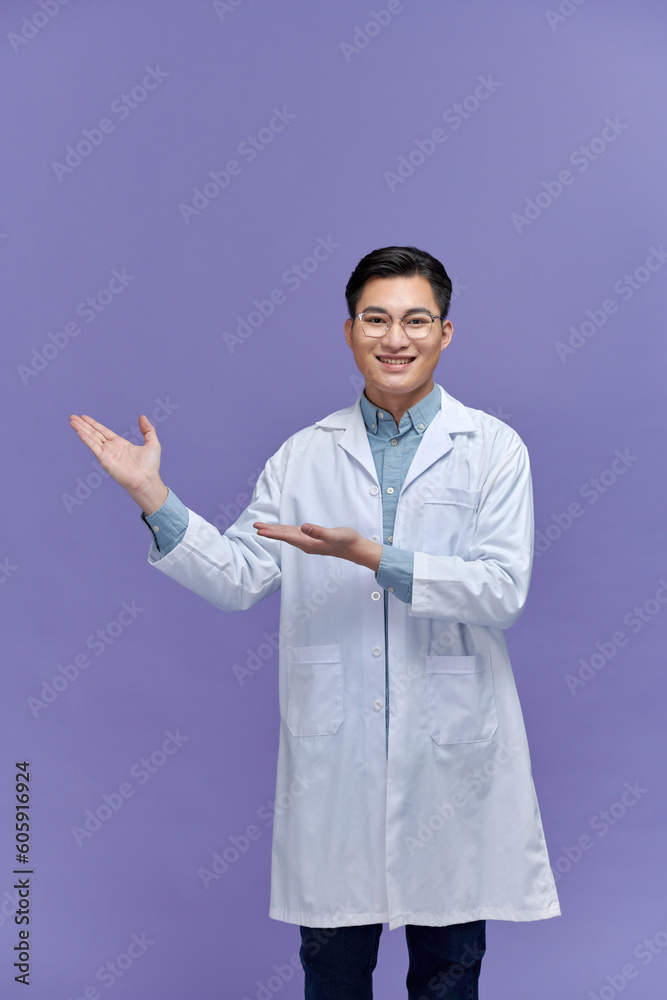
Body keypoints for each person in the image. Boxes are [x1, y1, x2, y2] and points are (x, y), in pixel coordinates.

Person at [69, 245, 560, 999]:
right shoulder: (303, 457)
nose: (395, 338)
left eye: (415, 320)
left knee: (448, 973)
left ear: (445, 332)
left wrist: (371, 555)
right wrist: (152, 496)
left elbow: (500, 592)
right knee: (331, 973)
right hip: (339, 766)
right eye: (376, 319)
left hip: (451, 761)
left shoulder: (493, 450)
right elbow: (238, 577)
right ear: (349, 331)